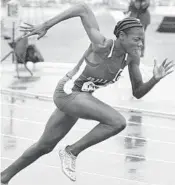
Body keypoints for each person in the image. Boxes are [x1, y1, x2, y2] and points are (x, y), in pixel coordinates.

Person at [1, 2, 174, 184]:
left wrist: (155, 79)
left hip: (80, 99)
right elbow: (83, 9)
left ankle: (4, 177)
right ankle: (71, 152)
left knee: (44, 146)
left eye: (142, 39)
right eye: (137, 39)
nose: (141, 44)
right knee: (117, 122)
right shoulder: (102, 45)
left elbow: (138, 91)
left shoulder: (132, 58)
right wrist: (46, 25)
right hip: (67, 93)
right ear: (122, 36)